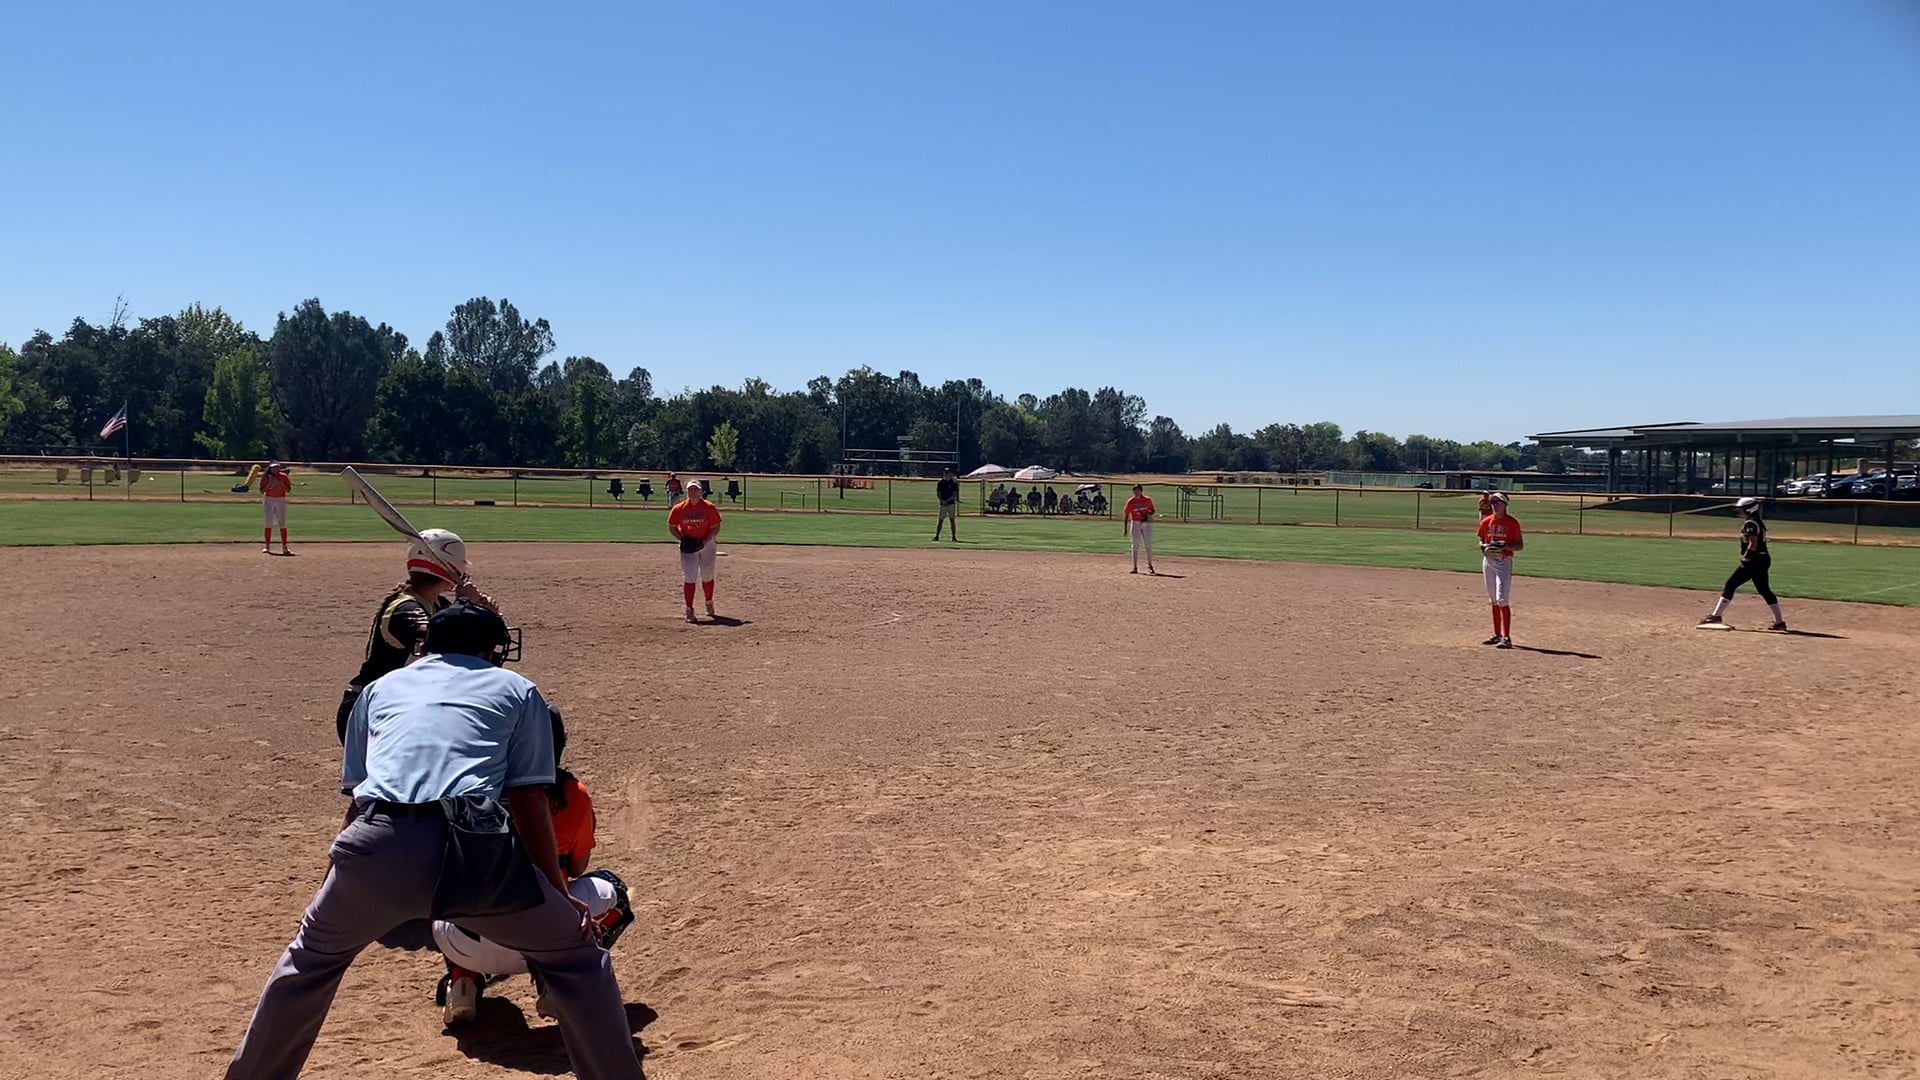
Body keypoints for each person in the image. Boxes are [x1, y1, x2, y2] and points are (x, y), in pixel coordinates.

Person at [223, 604, 644, 1080]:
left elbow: (358, 803)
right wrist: (557, 890)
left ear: (425, 646)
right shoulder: (517, 689)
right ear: (491, 650)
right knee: (578, 959)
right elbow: (528, 798)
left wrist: (329, 886)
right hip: (475, 854)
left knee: (308, 963)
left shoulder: (378, 689)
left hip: (377, 844)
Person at [435, 708, 636, 1024]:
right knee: (615, 892)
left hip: (466, 943)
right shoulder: (572, 794)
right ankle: (554, 979)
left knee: (447, 891)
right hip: (544, 936)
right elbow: (578, 867)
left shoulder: (469, 789)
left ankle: (462, 982)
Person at [333, 529, 497, 742]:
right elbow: (445, 643)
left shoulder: (438, 604)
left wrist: (484, 615)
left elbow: (468, 646)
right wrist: (465, 604)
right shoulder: (404, 610)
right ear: (452, 567)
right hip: (370, 713)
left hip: (401, 708)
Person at [1701, 496, 1787, 630]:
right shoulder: (1757, 522)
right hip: (1762, 559)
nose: (1739, 512)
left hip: (1755, 560)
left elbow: (1753, 543)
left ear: (1749, 509)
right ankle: (1779, 622)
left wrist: (1747, 557)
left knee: (1730, 584)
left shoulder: (1751, 523)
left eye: (1741, 509)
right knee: (1764, 590)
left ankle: (1716, 615)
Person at [668, 480, 722, 622]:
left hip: (707, 544)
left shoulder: (709, 507)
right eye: (690, 490)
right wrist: (682, 539)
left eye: (695, 489)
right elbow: (672, 526)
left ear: (700, 492)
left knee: (707, 575)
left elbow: (715, 527)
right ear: (686, 492)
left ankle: (709, 602)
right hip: (688, 546)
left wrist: (704, 541)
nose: (693, 492)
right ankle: (689, 609)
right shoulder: (679, 508)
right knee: (689, 577)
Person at [1476, 491, 1523, 648]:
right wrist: (1484, 546)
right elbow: (1481, 540)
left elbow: (1520, 545)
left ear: (1505, 505)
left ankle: (1507, 638)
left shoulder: (1512, 523)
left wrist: (1505, 546)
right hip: (1488, 562)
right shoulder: (1486, 522)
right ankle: (1497, 635)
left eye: (1497, 502)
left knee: (1502, 599)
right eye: (1493, 502)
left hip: (1503, 563)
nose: (1494, 505)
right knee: (1493, 600)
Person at [261, 462, 293, 556]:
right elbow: (262, 490)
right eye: (273, 468)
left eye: (277, 467)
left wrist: (281, 483)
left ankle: (284, 546)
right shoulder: (266, 477)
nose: (275, 469)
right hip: (269, 499)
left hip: (280, 499)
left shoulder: (283, 476)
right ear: (270, 468)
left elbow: (288, 490)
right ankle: (267, 546)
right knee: (268, 522)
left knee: (282, 523)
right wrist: (270, 484)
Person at [1123, 484, 1156, 575]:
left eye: (1138, 490)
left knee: (1148, 545)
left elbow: (1152, 510)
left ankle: (1150, 565)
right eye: (1134, 490)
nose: (1136, 492)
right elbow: (1126, 514)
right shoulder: (1131, 501)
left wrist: (1149, 514)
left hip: (1146, 523)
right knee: (1135, 545)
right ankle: (1135, 567)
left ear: (1141, 491)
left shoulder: (1147, 500)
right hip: (1135, 522)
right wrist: (1125, 528)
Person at [934, 467, 960, 541]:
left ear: (950, 474)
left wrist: (947, 500)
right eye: (945, 473)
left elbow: (954, 495)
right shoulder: (940, 483)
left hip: (951, 504)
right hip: (943, 504)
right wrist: (942, 500)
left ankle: (953, 537)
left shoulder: (953, 483)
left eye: (948, 473)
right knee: (940, 520)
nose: (946, 474)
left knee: (952, 520)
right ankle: (937, 536)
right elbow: (938, 493)